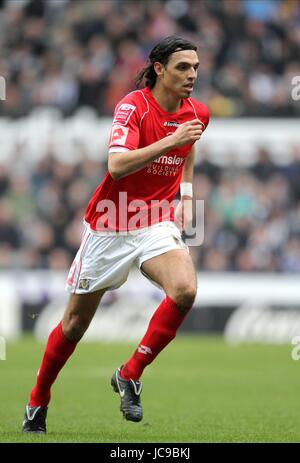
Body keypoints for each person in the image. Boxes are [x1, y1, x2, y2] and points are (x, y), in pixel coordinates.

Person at [22, 36, 210, 433]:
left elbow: (188, 146)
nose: (192, 75)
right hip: (110, 225)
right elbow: (117, 166)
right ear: (159, 69)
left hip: (155, 221)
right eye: (182, 67)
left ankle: (130, 373)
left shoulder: (198, 112)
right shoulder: (132, 107)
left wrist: (187, 196)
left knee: (185, 290)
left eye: (195, 67)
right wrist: (169, 141)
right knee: (74, 325)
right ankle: (38, 400)